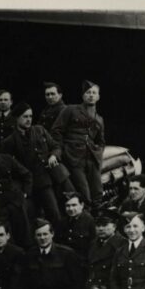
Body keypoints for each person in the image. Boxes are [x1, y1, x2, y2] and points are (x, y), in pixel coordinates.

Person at [1, 101, 74, 226]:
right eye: (25, 117)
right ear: (16, 118)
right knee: (52, 212)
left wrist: (53, 155)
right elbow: (9, 166)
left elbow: (56, 146)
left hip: (57, 175)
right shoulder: (9, 141)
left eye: (30, 116)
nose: (29, 120)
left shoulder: (40, 130)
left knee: (72, 203)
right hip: (38, 182)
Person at [51, 80, 105, 210]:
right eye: (88, 92)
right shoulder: (70, 110)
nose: (91, 95)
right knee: (83, 191)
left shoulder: (99, 119)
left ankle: (97, 219)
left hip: (91, 158)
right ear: (83, 96)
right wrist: (60, 150)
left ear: (98, 97)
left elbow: (101, 141)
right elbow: (56, 131)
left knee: (97, 192)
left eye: (94, 93)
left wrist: (98, 152)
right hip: (73, 157)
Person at [21, 218, 84, 289]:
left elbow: (78, 284)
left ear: (52, 234)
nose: (42, 238)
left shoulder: (66, 254)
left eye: (45, 234)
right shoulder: (30, 255)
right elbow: (26, 283)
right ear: (35, 237)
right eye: (39, 235)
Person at [87, 208, 126, 289]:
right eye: (98, 225)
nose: (100, 228)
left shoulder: (123, 244)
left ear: (114, 226)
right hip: (93, 287)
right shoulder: (93, 243)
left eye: (104, 225)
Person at [55, 192, 96, 261]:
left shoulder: (89, 221)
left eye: (74, 205)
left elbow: (94, 245)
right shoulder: (62, 222)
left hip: (82, 261)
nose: (70, 209)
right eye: (67, 206)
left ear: (82, 205)